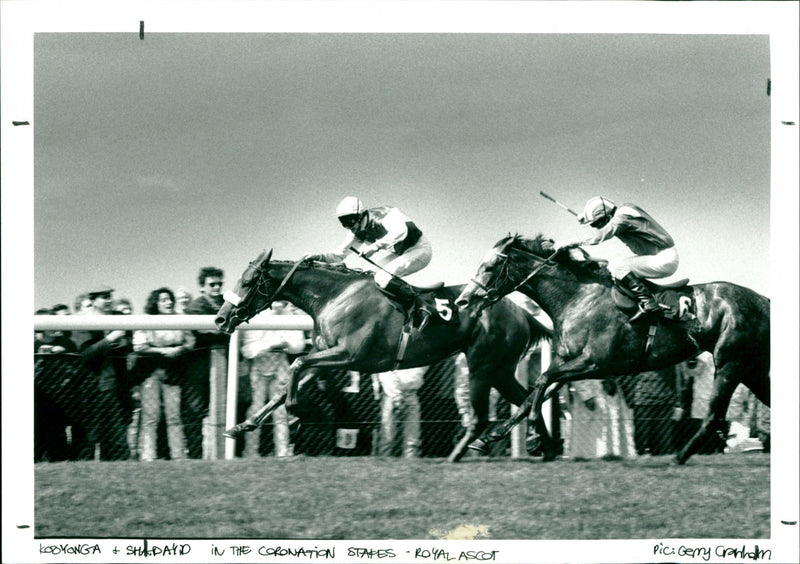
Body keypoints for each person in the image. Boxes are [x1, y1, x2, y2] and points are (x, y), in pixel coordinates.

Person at [304, 196, 435, 330]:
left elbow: (400, 231)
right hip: (401, 253)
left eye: (349, 221)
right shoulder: (356, 231)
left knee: (382, 277)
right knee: (370, 276)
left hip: (420, 249)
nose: (348, 226)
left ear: (360, 215)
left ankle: (423, 308)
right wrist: (318, 256)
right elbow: (339, 254)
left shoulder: (386, 213)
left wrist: (374, 247)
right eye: (343, 223)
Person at [554, 197, 678, 324]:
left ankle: (648, 302)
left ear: (607, 216)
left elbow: (599, 236)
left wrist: (567, 243)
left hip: (665, 258)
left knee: (619, 267)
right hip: (659, 256)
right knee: (613, 265)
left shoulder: (622, 217)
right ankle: (645, 299)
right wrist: (587, 218)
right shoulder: (622, 211)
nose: (598, 227)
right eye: (594, 225)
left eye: (599, 223)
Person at [132, 288, 195, 461]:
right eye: (163, 300)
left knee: (174, 416)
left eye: (170, 299)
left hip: (172, 372)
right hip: (150, 372)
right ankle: (148, 456)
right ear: (155, 302)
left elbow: (190, 342)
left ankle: (178, 455)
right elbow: (139, 345)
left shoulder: (180, 320)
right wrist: (162, 351)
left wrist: (177, 350)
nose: (168, 303)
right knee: (150, 417)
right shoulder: (146, 320)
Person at [71, 285, 133, 460]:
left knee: (117, 440)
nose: (108, 300)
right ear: (93, 300)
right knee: (88, 438)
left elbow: (130, 343)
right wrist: (109, 339)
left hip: (117, 386)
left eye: (110, 296)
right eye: (103, 297)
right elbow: (84, 354)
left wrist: (122, 343)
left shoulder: (119, 318)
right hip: (92, 388)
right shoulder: (83, 322)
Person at [239, 300, 306, 458]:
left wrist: (285, 345)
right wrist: (268, 346)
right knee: (255, 411)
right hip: (258, 368)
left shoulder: (289, 317)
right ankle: (250, 452)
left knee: (281, 412)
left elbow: (299, 345)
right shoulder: (255, 316)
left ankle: (282, 453)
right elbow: (247, 350)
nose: (277, 303)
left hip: (280, 366)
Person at [183, 267, 229, 458]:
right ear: (202, 287)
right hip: (199, 368)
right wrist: (224, 331)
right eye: (212, 284)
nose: (217, 288)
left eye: (219, 284)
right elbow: (205, 333)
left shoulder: (227, 303)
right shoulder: (195, 306)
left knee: (222, 409)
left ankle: (220, 452)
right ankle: (196, 454)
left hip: (222, 364)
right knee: (196, 411)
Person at [373, 367, 425, 458]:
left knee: (412, 438)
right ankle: (383, 463)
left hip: (412, 393)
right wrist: (396, 395)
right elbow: (386, 373)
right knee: (387, 436)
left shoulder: (417, 355)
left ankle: (410, 465)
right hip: (390, 395)